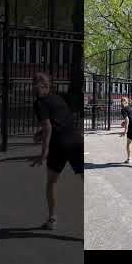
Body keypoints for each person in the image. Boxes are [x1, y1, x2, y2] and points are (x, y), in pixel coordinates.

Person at [30, 72, 83, 230]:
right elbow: (60, 120)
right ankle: (51, 219)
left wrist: (43, 154)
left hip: (59, 145)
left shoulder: (40, 102)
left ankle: (52, 218)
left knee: (51, 182)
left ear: (45, 86)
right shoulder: (58, 98)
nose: (34, 87)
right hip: (75, 141)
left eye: (37, 84)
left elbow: (48, 127)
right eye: (33, 84)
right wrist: (40, 134)